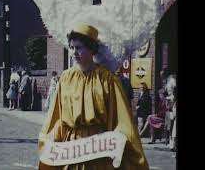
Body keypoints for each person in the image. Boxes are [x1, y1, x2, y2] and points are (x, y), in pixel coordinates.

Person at [38, 23, 148, 170]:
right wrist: (50, 140)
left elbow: (122, 120)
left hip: (99, 149)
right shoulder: (65, 78)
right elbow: (56, 117)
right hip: (70, 149)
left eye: (79, 48)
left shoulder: (107, 79)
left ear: (91, 49)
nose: (74, 53)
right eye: (71, 48)